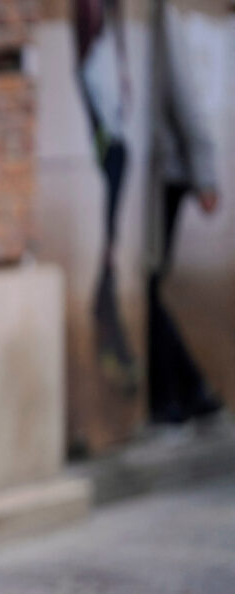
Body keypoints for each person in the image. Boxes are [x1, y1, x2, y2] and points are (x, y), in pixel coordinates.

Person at [147, 2, 222, 424]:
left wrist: (204, 172)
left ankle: (180, 392)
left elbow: (182, 89)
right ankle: (185, 390)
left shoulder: (156, 10)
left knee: (150, 283)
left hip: (165, 172)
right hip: (153, 173)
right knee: (150, 284)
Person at [73, 0, 139, 392]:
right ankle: (111, 336)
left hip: (116, 152)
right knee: (107, 254)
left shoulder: (111, 34)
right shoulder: (91, 38)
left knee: (110, 254)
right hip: (106, 153)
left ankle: (112, 334)